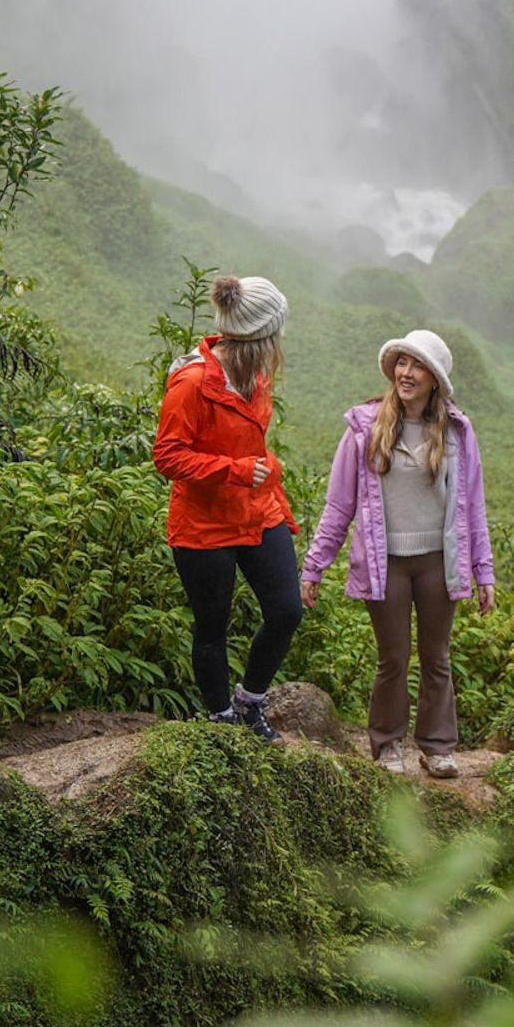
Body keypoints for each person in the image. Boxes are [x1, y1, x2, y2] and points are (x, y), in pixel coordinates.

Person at [301, 328, 494, 778]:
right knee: (393, 657)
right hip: (385, 563)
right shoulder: (364, 428)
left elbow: (473, 506)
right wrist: (315, 566)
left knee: (437, 656)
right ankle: (388, 745)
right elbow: (339, 505)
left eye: (418, 365)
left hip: (436, 562)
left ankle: (437, 746)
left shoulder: (458, 433)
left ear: (435, 378)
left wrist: (483, 571)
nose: (406, 373)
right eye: (402, 364)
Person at [152, 273, 303, 740]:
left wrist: (257, 473)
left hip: (258, 509)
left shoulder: (255, 375)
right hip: (204, 521)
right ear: (259, 338)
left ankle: (250, 701)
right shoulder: (192, 384)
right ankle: (222, 721)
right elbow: (167, 455)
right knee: (212, 626)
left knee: (286, 611)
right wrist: (234, 469)